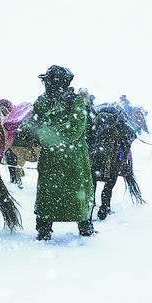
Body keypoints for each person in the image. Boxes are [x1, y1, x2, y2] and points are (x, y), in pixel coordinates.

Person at [26, 65, 95, 240]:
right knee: (48, 197)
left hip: (73, 160)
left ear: (60, 83)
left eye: (50, 81)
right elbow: (33, 122)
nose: (47, 85)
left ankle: (85, 226)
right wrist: (27, 130)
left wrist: (43, 134)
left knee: (78, 196)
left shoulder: (75, 101)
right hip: (50, 160)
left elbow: (75, 128)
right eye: (46, 81)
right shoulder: (41, 102)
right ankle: (44, 229)